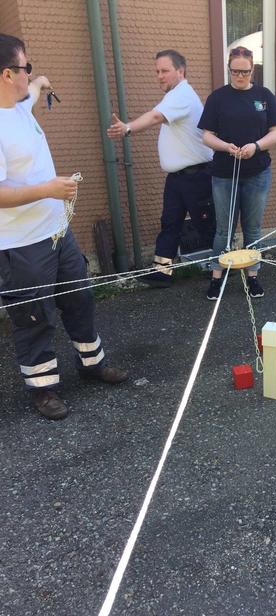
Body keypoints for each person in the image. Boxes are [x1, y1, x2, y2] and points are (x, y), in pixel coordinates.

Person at [0, 33, 127, 420]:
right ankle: (43, 390)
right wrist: (48, 189)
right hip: (21, 243)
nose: (30, 73)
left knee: (80, 298)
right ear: (7, 74)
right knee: (35, 316)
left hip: (56, 232)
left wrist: (42, 82)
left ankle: (92, 365)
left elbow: (37, 88)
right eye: (26, 67)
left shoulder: (20, 104)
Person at [107, 49, 215, 287]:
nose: (159, 76)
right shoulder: (174, 96)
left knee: (207, 225)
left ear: (180, 71)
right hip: (178, 179)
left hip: (197, 177)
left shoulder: (182, 95)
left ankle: (224, 269)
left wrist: (127, 128)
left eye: (165, 71)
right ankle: (162, 272)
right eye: (157, 71)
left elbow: (155, 117)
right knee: (170, 222)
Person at [198, 46, 276, 300]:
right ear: (228, 69)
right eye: (235, 71)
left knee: (253, 229)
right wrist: (226, 147)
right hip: (224, 173)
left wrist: (255, 146)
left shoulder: (264, 96)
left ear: (252, 69)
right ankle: (217, 278)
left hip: (258, 172)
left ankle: (253, 277)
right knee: (223, 230)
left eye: (244, 72)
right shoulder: (218, 98)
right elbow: (206, 136)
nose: (240, 76)